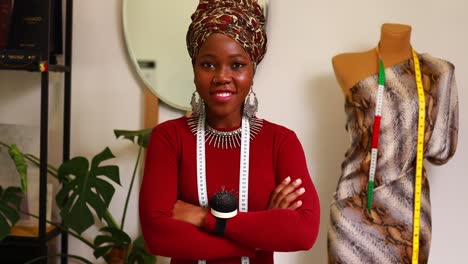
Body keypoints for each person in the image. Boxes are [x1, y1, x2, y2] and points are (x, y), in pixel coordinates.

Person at [139, 1, 320, 263]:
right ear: (194, 69)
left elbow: (303, 232)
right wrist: (260, 233)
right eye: (208, 64)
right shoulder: (169, 138)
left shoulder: (280, 142)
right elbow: (157, 236)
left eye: (236, 65)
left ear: (252, 71)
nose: (222, 76)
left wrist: (204, 217)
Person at [328, 23, 458, 263]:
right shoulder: (344, 63)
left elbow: (441, 150)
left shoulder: (439, 72)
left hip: (407, 210)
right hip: (352, 206)